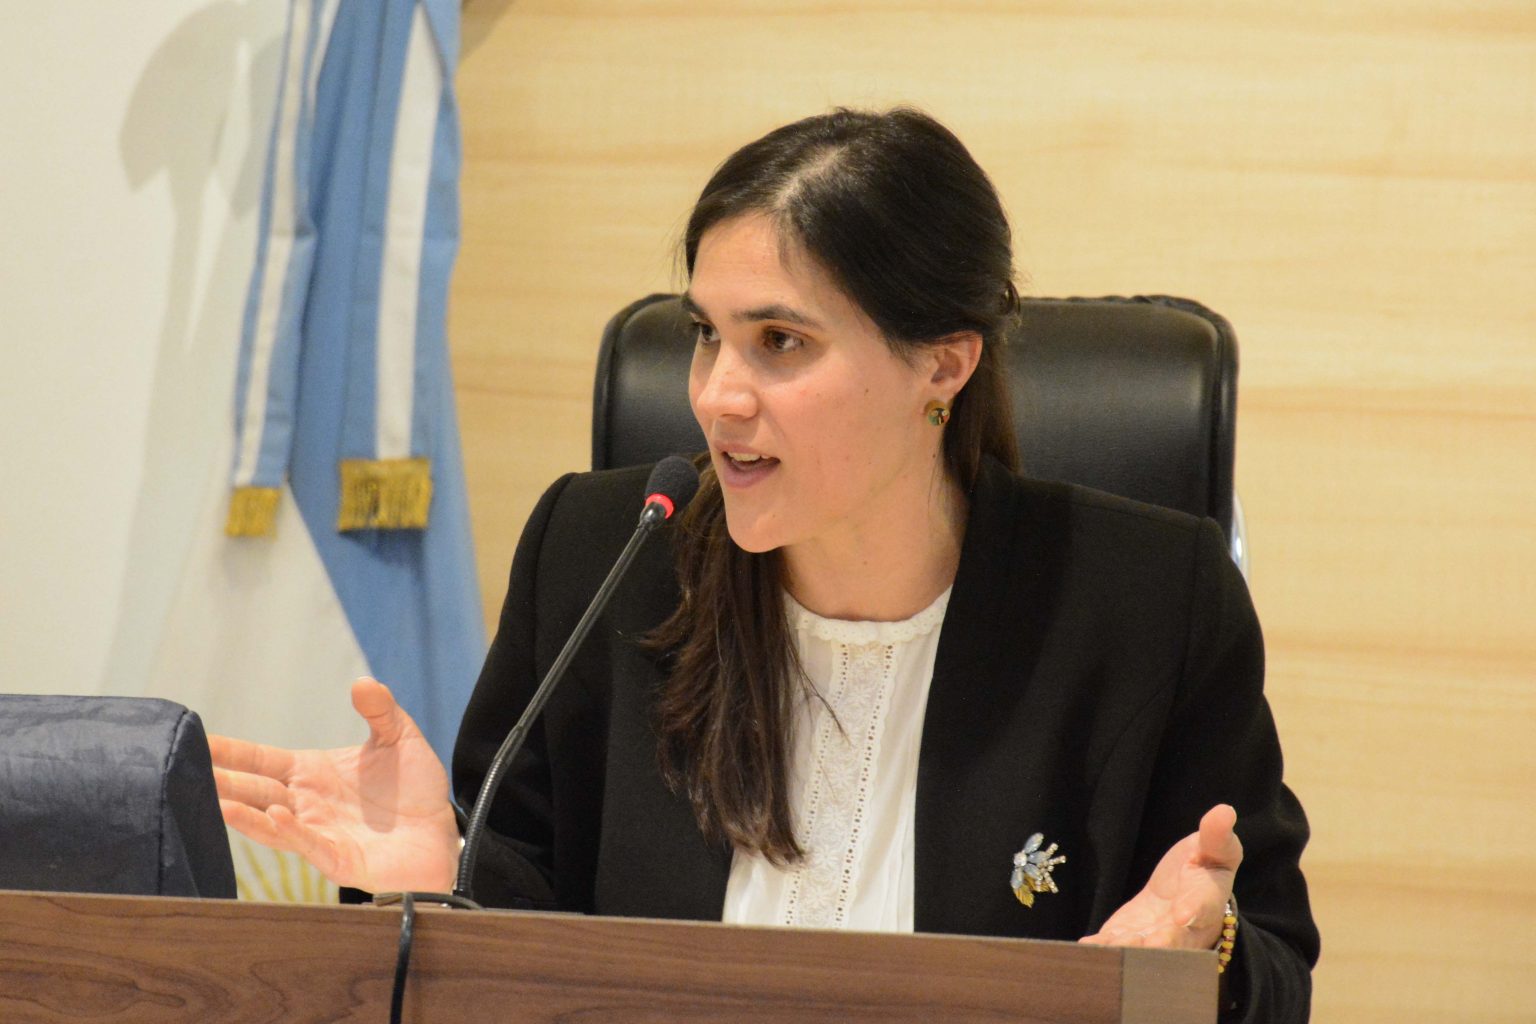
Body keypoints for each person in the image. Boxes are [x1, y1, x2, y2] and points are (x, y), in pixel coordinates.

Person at [212, 107, 1318, 1021]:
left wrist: (1202, 953)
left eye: (779, 343)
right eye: (706, 334)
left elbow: (1274, 971)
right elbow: (524, 933)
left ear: (943, 365)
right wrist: (435, 877)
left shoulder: (1146, 603)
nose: (715, 396)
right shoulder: (606, 555)